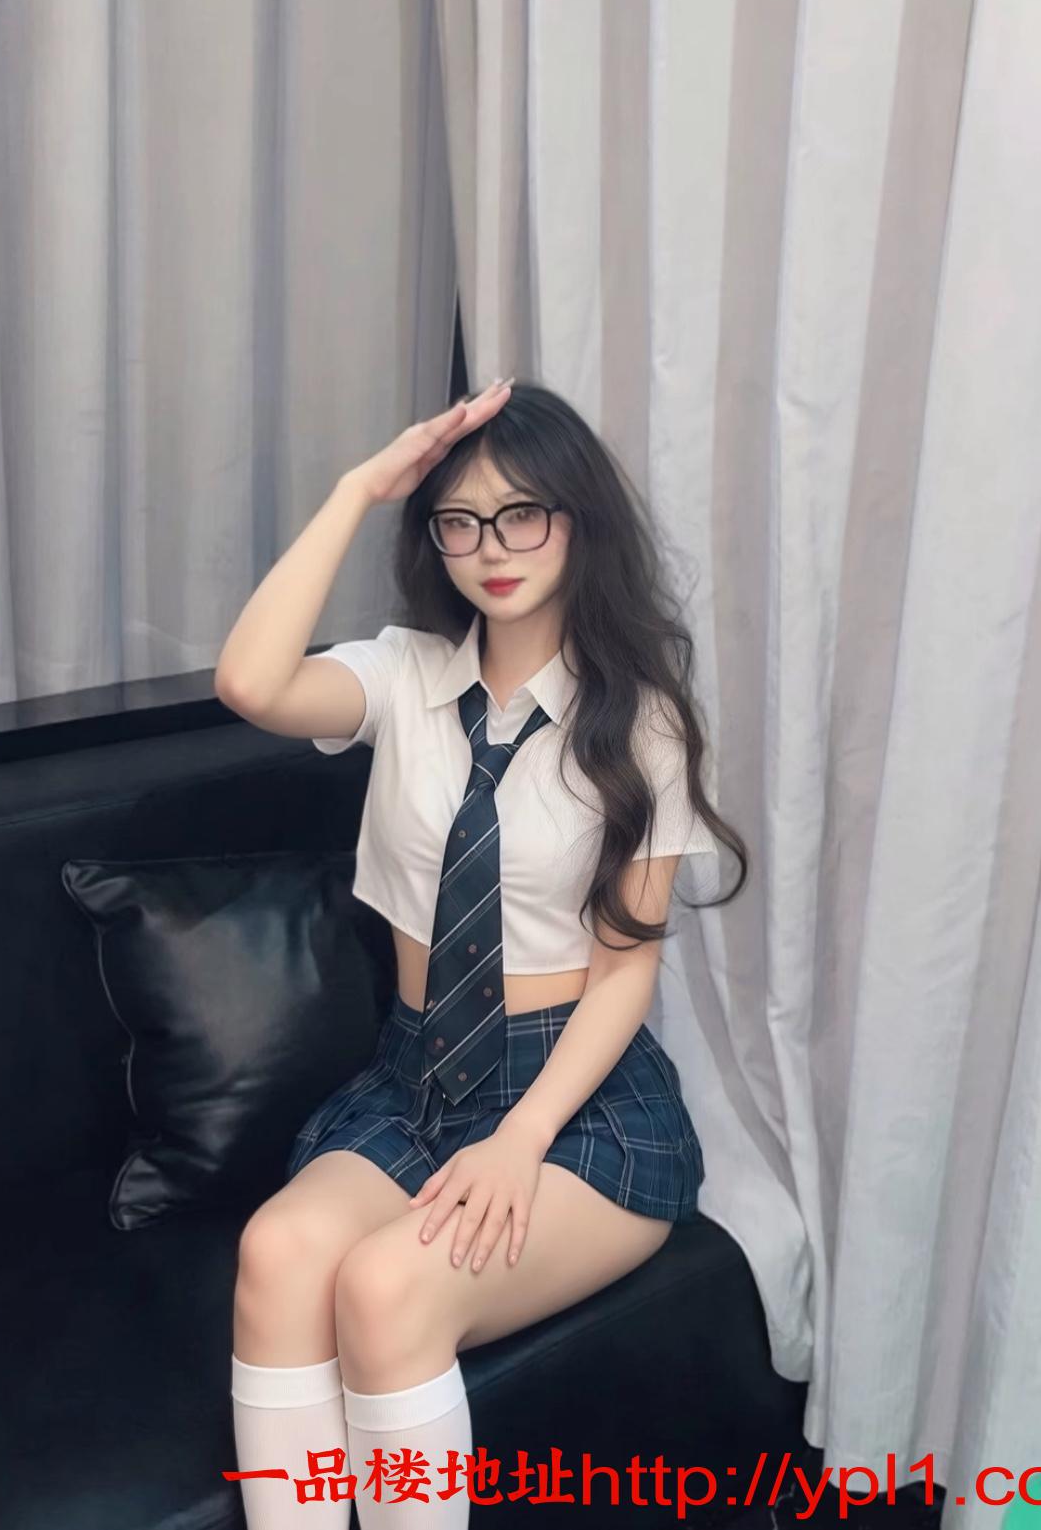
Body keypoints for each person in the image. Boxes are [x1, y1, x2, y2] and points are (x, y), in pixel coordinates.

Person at [214, 377, 748, 1527]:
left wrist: (523, 1136)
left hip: (574, 1100)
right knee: (277, 1252)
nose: (491, 548)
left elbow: (627, 970)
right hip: (414, 1076)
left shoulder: (640, 719)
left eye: (521, 515)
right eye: (460, 521)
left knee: (386, 1286)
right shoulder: (404, 677)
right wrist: (360, 488)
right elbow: (249, 682)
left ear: (576, 518)